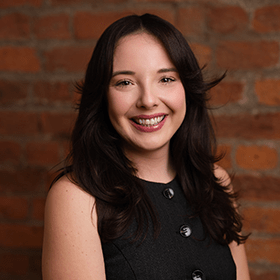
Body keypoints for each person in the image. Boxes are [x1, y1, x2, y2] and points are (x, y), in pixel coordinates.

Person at [42, 14, 250, 280]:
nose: (148, 101)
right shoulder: (76, 198)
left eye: (166, 79)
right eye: (125, 82)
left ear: (187, 88)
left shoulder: (215, 180)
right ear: (102, 96)